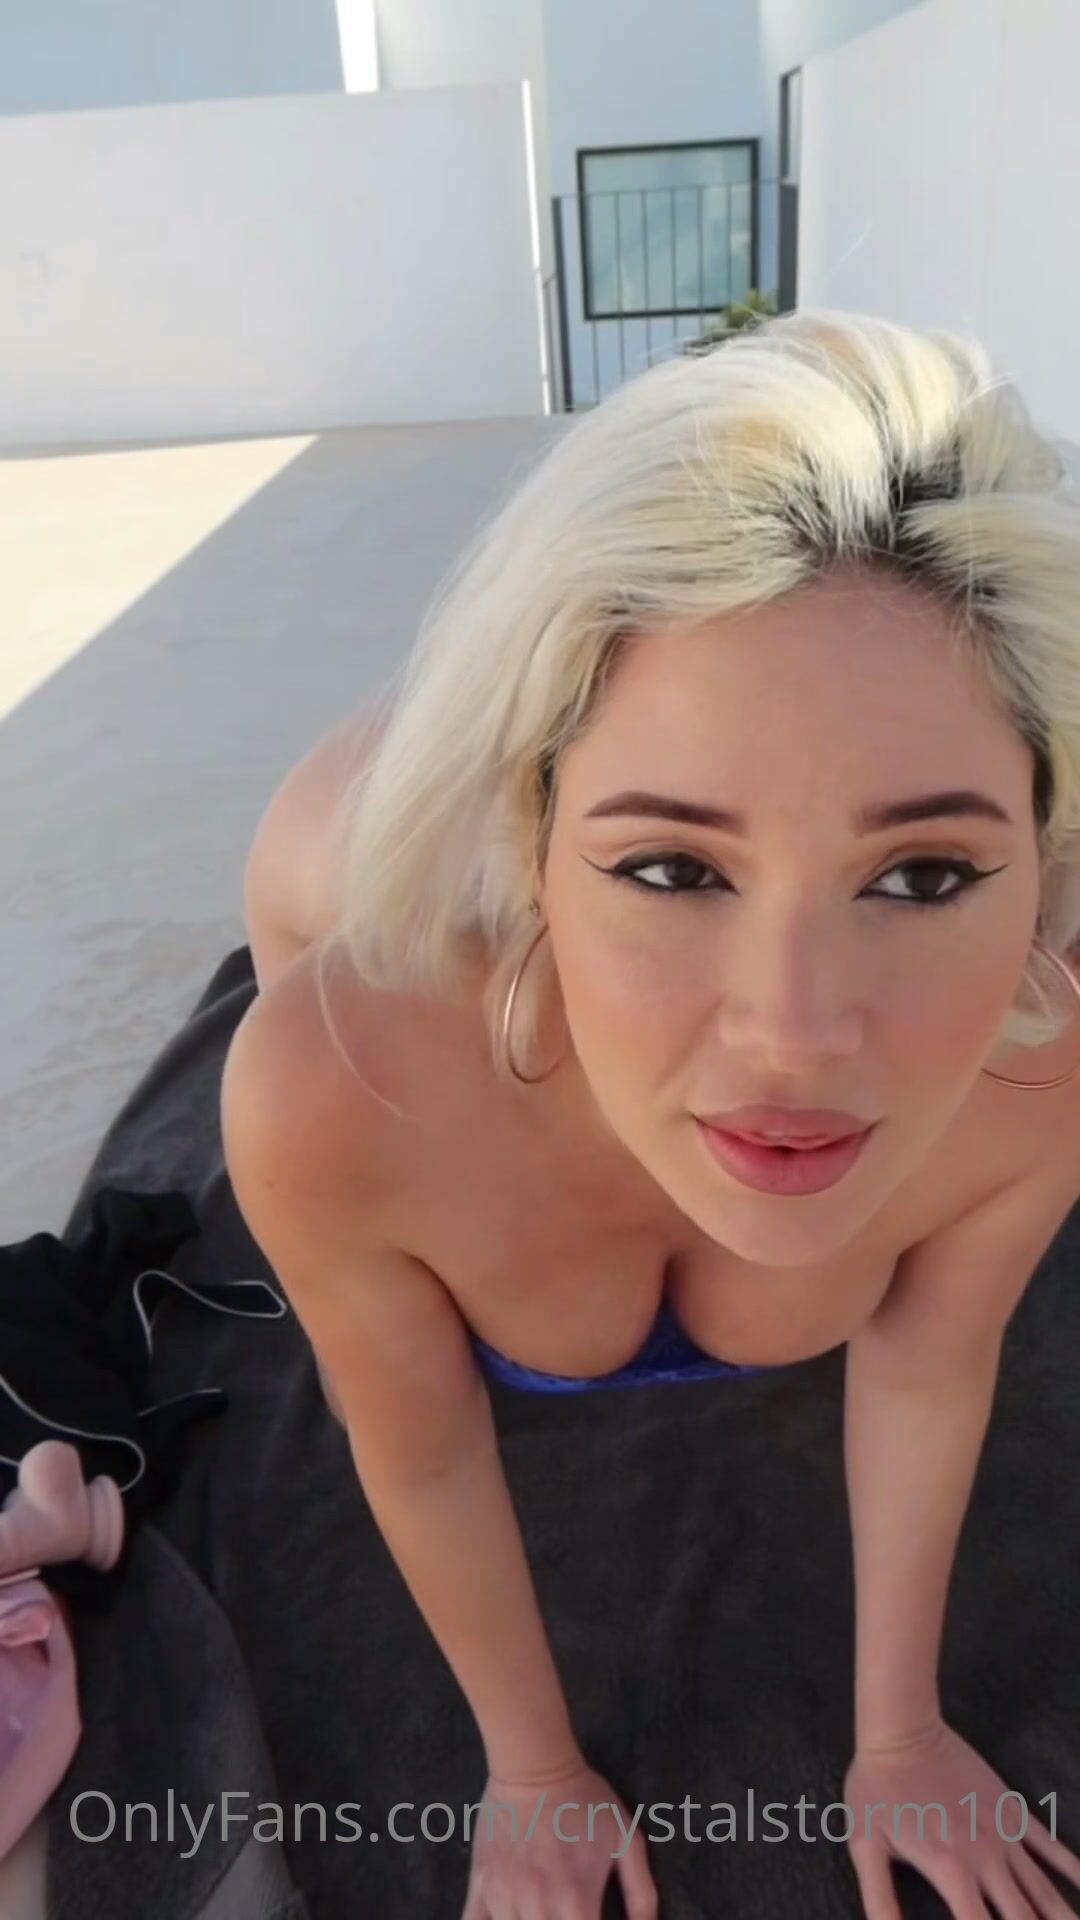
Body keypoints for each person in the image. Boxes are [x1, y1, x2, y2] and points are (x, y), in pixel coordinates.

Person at [222, 308, 1080, 1920]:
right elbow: (416, 1446)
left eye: (924, 875)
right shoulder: (339, 1082)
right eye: (674, 868)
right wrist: (534, 1774)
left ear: (1045, 859)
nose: (795, 1038)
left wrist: (900, 1735)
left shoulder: (1043, 1070)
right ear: (532, 840)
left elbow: (931, 1359)